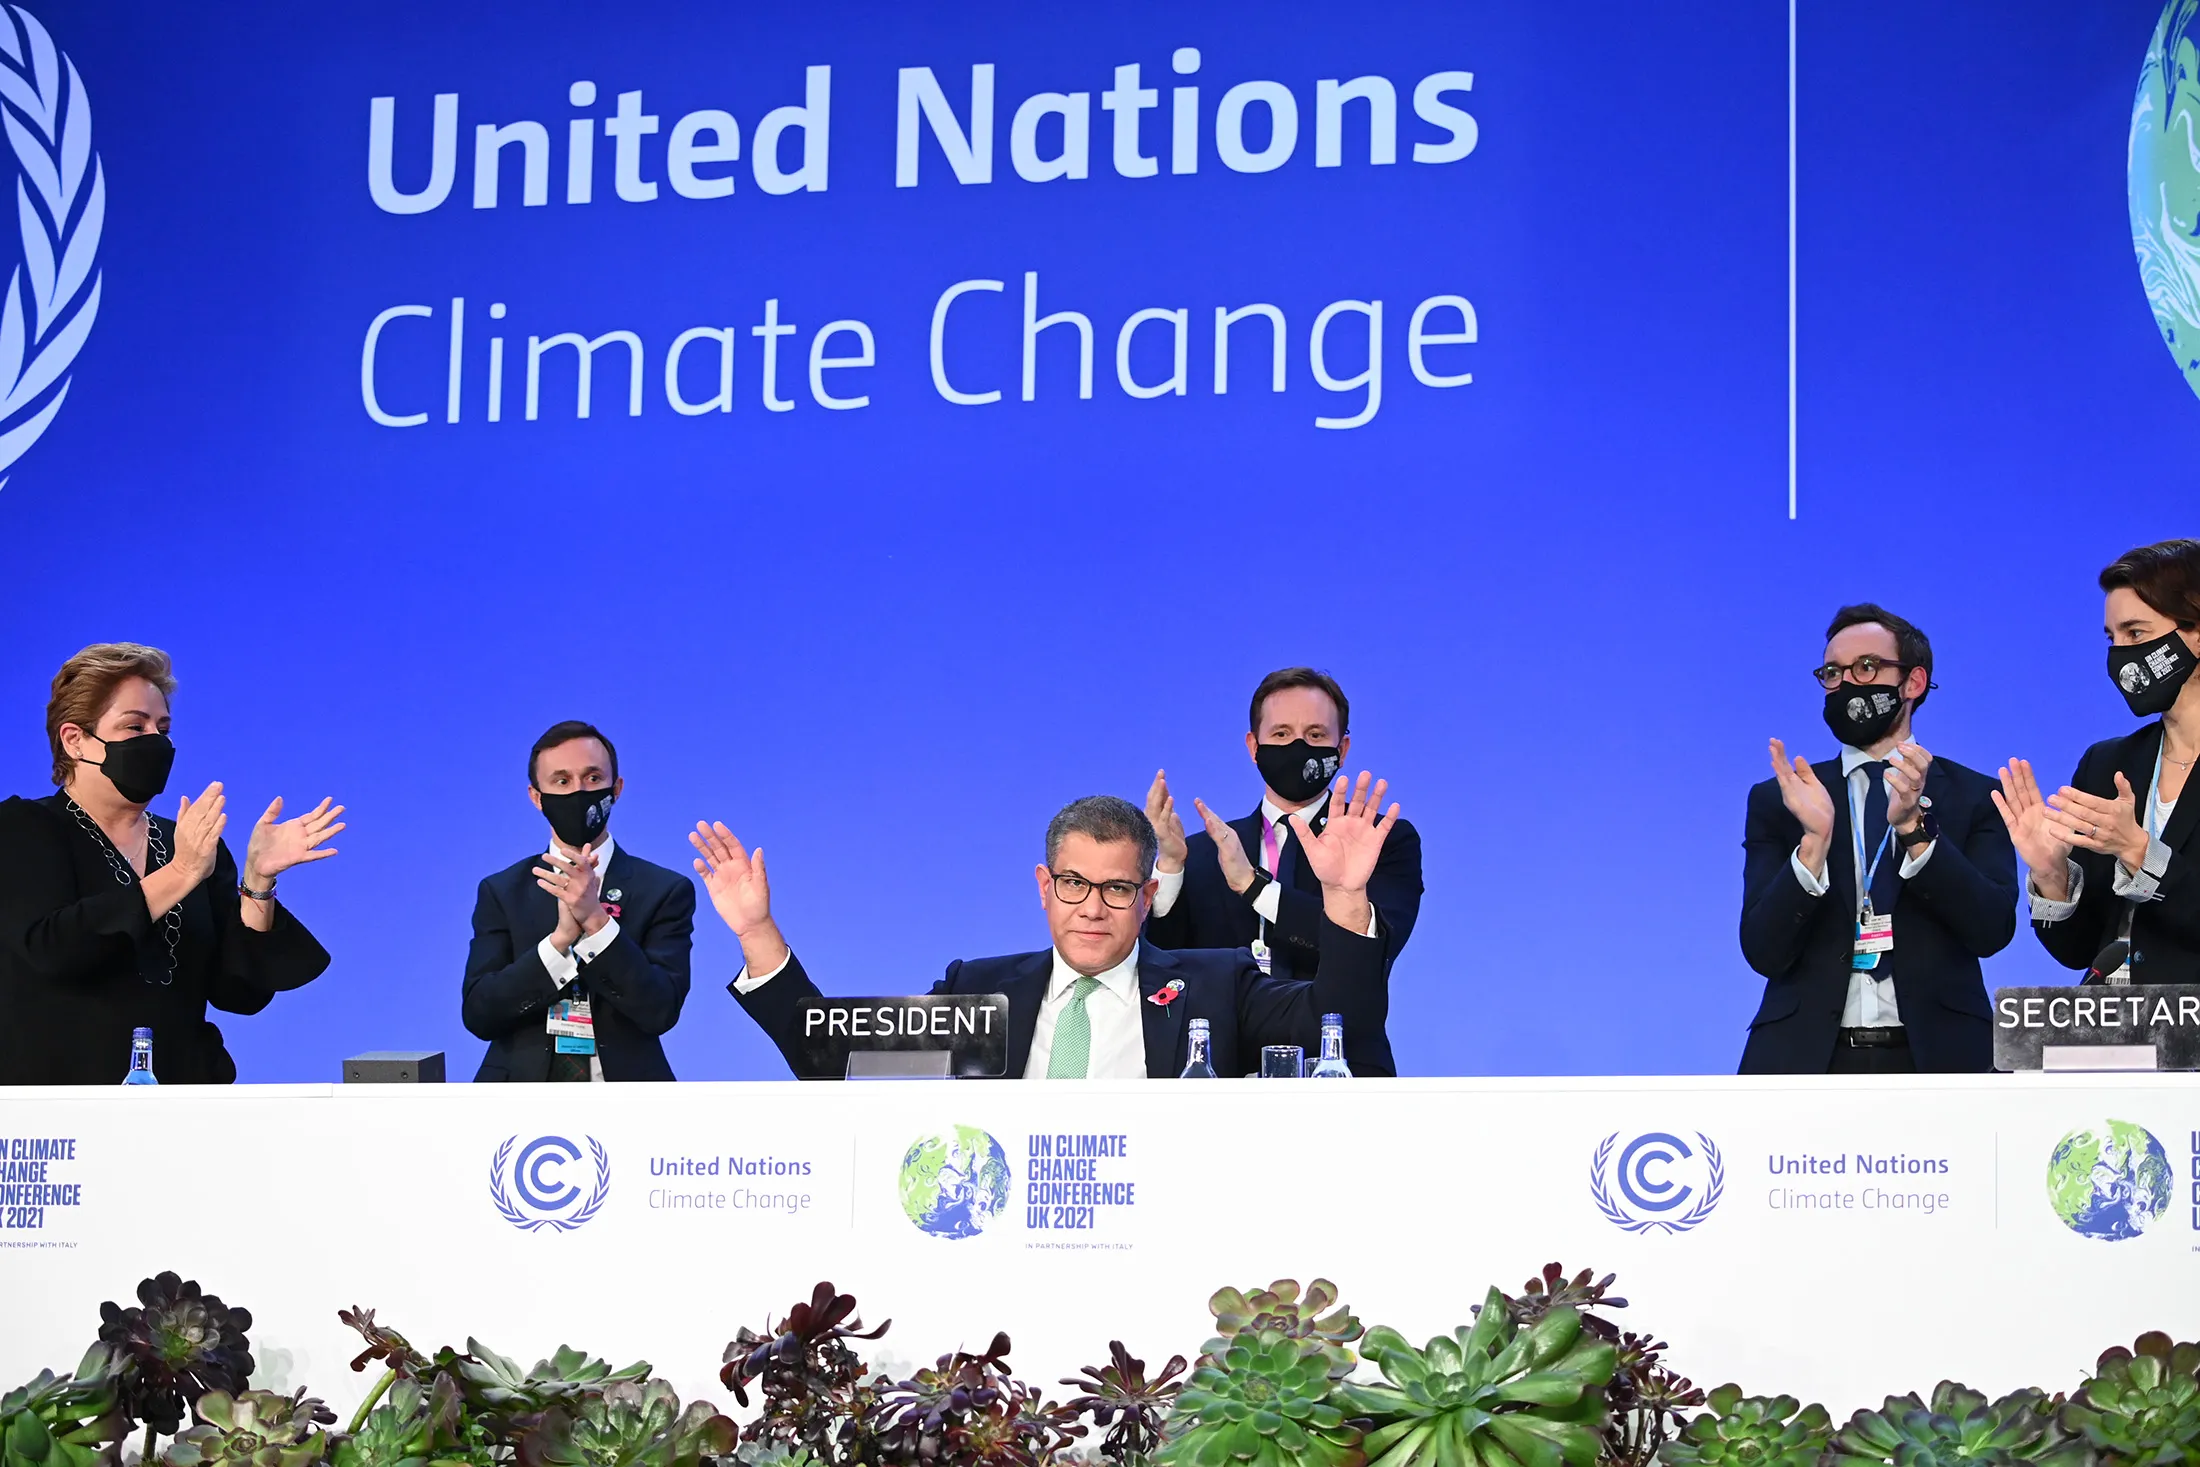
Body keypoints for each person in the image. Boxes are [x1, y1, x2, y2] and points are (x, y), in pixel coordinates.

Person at [700, 785, 1398, 1079]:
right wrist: (758, 931)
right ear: (1044, 887)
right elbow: (834, 1054)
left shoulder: (1214, 984)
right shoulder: (981, 993)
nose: (1092, 906)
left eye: (1118, 888)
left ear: (1147, 894)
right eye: (1074, 884)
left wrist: (1343, 893)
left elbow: (1342, 1021)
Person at [0, 643, 339, 1084]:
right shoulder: (24, 829)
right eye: (134, 727)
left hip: (183, 1104)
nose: (155, 743)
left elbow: (239, 992)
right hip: (66, 1112)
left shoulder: (187, 842)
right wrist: (179, 874)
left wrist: (258, 879)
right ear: (75, 740)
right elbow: (50, 950)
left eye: (162, 727)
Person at [1739, 605, 2016, 1073]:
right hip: (1803, 1059)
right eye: (1833, 673)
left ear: (1913, 683)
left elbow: (1991, 930)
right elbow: (1763, 950)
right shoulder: (1784, 800)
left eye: (1867, 667)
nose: (1847, 684)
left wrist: (1914, 830)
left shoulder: (1976, 796)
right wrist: (1814, 842)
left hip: (1942, 1058)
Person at [1141, 667, 1420, 1075]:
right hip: (1222, 1079)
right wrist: (1169, 867)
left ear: (1342, 749)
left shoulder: (1379, 841)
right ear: (1253, 746)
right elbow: (1166, 970)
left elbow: (1372, 951)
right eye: (1282, 734)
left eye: (1316, 735)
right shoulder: (1205, 852)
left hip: (1343, 1073)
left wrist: (1253, 887)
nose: (1298, 747)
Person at [1997, 540, 2200, 985]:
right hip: (2114, 1040)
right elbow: (2079, 952)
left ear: (2196, 634)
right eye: (2112, 638)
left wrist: (2140, 853)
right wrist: (2052, 876)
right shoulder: (2108, 764)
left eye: (2137, 634)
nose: (2121, 656)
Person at [461, 720, 696, 1081]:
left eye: (592, 778)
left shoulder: (664, 890)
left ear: (616, 788)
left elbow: (660, 1010)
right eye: (561, 781)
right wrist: (558, 944)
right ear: (536, 797)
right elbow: (479, 1013)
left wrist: (597, 923)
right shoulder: (502, 891)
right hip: (515, 1103)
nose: (578, 791)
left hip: (630, 1098)